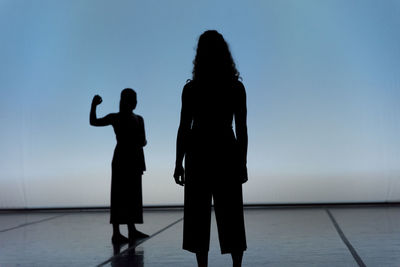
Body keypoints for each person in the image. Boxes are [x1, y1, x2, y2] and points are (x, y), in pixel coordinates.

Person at [174, 30, 248, 267]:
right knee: (232, 215)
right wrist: (242, 162)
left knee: (198, 216)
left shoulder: (192, 89)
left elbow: (184, 128)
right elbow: (242, 129)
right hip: (226, 149)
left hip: (199, 151)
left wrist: (178, 162)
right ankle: (237, 265)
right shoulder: (235, 88)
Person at [90, 88, 149, 244]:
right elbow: (94, 122)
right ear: (126, 101)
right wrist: (94, 106)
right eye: (132, 99)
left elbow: (143, 140)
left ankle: (131, 229)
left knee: (132, 195)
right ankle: (117, 232)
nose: (135, 102)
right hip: (123, 160)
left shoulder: (136, 119)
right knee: (119, 195)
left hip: (133, 160)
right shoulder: (119, 118)